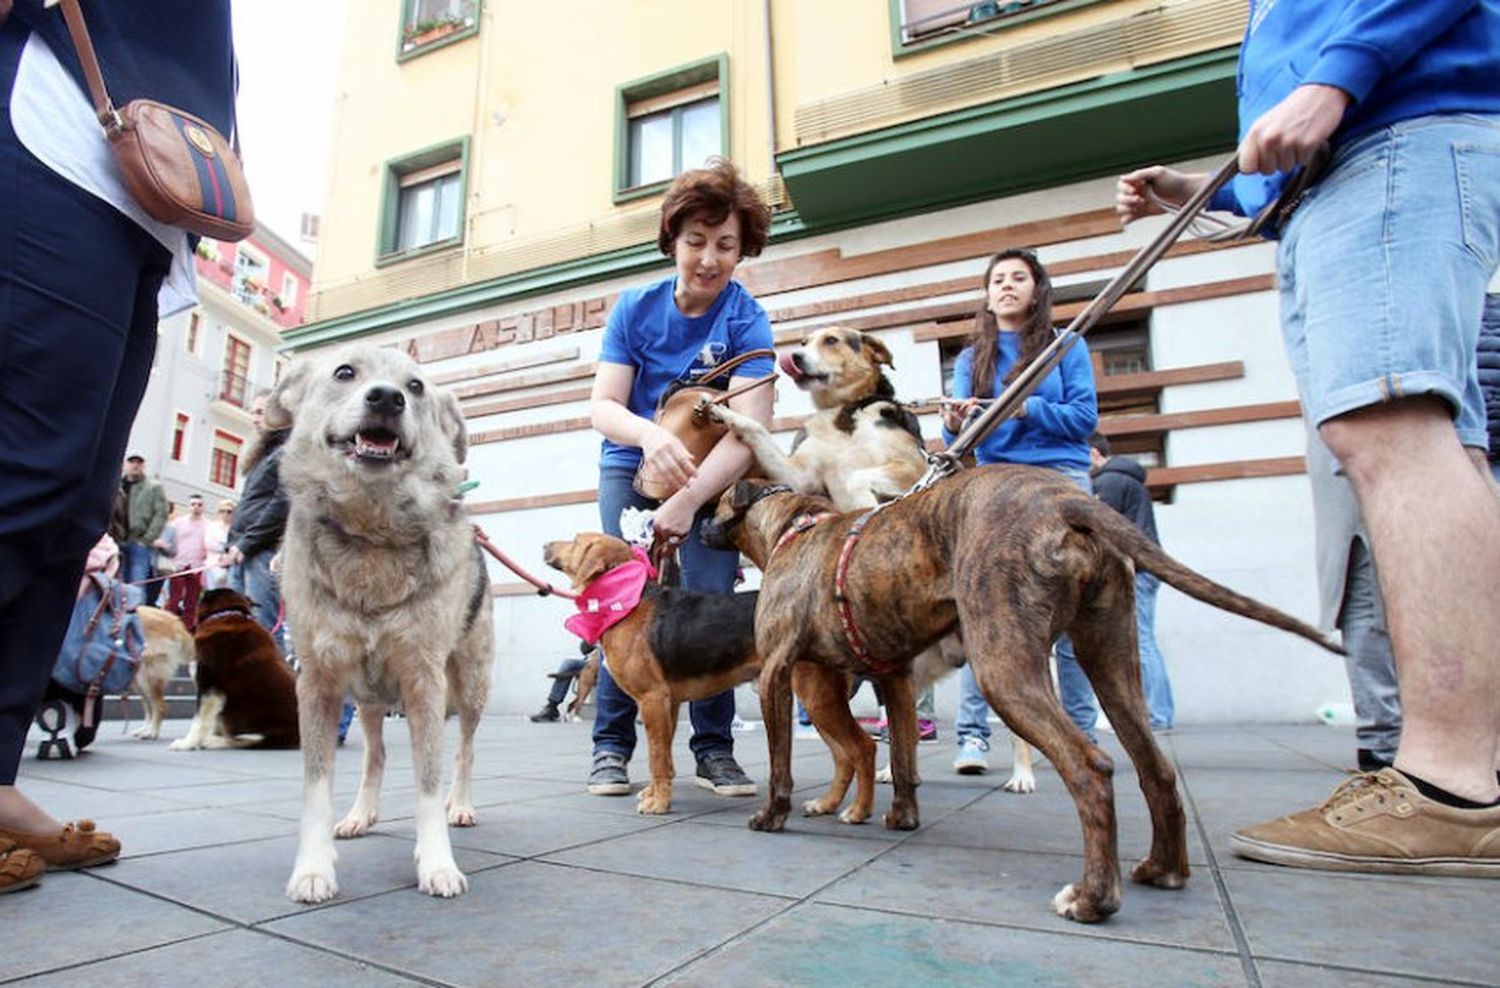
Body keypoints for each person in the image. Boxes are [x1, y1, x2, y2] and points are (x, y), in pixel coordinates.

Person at [1116, 1, 1500, 873]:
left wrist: (1336, 77)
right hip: (1343, 170)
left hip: (1392, 136)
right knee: (1431, 442)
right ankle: (1466, 767)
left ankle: (1450, 788)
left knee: (1389, 426)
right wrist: (1215, 193)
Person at [0, 1, 238, 888]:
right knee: (22, 477)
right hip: (57, 125)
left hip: (144, 185)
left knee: (69, 508)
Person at [584, 157, 774, 798]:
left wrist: (691, 500)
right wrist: (652, 435)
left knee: (715, 603)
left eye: (726, 245)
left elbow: (751, 430)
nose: (710, 259)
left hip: (712, 477)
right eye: (696, 242)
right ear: (673, 240)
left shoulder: (748, 318)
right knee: (622, 606)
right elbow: (604, 407)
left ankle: (714, 751)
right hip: (630, 467)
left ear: (743, 248)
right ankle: (610, 746)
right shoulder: (634, 308)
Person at [940, 248, 1100, 774]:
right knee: (982, 609)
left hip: (1061, 476)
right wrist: (951, 421)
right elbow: (962, 440)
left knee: (1079, 608)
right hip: (996, 480)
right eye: (997, 280)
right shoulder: (970, 360)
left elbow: (1083, 419)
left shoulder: (1065, 346)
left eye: (1017, 278)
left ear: (1037, 288)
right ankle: (972, 736)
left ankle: (1078, 729)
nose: (1006, 286)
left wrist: (1027, 406)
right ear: (987, 294)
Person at [1087, 433, 1174, 731]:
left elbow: (1101, 532)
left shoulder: (1108, 483)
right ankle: (1158, 713)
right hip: (1146, 568)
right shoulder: (1128, 479)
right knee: (1144, 641)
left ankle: (1156, 716)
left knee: (1141, 643)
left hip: (1136, 570)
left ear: (1093, 453)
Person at [225, 389, 290, 652]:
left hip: (259, 553)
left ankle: (275, 692)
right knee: (239, 630)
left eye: (260, 412)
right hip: (242, 551)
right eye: (253, 412)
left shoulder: (287, 451)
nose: (254, 418)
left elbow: (281, 504)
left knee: (263, 631)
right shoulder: (265, 454)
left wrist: (246, 543)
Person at [160, 493, 209, 631]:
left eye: (199, 505)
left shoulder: (208, 525)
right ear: (189, 506)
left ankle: (186, 629)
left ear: (203, 507)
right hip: (178, 565)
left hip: (197, 567)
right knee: (173, 599)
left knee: (192, 601)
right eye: (193, 504)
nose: (196, 507)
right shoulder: (178, 523)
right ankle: (167, 626)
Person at [117, 454, 166, 589]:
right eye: (132, 461)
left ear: (143, 466)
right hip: (116, 542)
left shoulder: (153, 487)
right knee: (116, 584)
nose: (135, 465)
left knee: (137, 584)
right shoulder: (116, 484)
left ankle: (135, 610)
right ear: (125, 465)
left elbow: (161, 514)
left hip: (139, 543)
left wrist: (147, 539)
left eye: (139, 462)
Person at [531, 642, 595, 723]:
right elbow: (585, 649)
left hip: (609, 661)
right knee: (568, 663)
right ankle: (552, 706)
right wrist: (589, 643)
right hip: (591, 661)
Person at [203, 499, 235, 590]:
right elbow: (209, 544)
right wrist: (226, 548)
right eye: (222, 511)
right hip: (214, 564)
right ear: (218, 512)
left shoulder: (235, 529)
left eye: (229, 512)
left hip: (230, 566)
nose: (226, 514)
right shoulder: (212, 526)